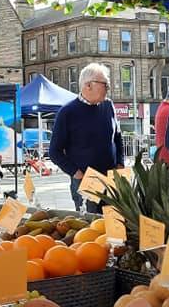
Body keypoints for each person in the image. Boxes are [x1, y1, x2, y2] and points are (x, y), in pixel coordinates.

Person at [49, 63, 125, 213]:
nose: (108, 88)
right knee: (90, 227)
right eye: (105, 84)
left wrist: (120, 163)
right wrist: (77, 173)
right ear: (88, 85)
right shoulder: (67, 112)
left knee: (114, 226)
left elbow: (117, 136)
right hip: (86, 181)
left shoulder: (108, 106)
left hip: (111, 179)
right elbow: (54, 152)